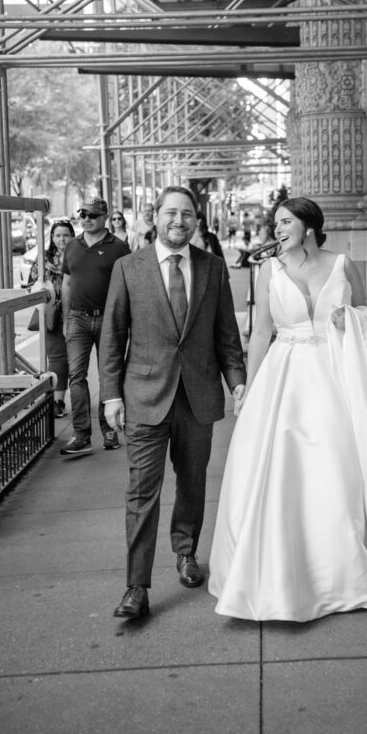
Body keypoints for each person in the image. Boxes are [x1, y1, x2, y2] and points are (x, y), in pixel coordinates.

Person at [208, 197, 367, 622]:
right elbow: (261, 332)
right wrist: (246, 388)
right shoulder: (268, 269)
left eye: (286, 221)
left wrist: (352, 321)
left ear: (309, 225)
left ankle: (341, 573)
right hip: (284, 379)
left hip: (336, 377)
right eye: (276, 222)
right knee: (283, 471)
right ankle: (280, 573)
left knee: (338, 469)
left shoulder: (343, 264)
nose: (278, 228)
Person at [99, 186, 247, 620]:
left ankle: (186, 552)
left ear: (196, 221)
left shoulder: (214, 268)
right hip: (144, 396)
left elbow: (226, 336)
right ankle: (136, 587)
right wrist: (110, 395)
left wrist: (237, 383)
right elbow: (112, 337)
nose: (178, 221)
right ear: (155, 216)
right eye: (170, 213)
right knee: (142, 492)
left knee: (193, 483)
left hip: (198, 395)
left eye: (187, 214)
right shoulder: (129, 267)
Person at [59, 197, 130, 458]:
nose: (86, 219)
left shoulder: (119, 248)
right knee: (76, 376)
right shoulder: (72, 246)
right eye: (82, 214)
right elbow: (66, 284)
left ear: (104, 217)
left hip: (108, 319)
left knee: (108, 374)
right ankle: (81, 434)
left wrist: (124, 320)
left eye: (91, 215)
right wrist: (67, 319)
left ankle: (109, 430)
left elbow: (127, 286)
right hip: (77, 318)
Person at [28, 219, 75, 418]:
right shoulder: (42, 259)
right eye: (58, 235)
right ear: (52, 237)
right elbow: (31, 285)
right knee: (57, 359)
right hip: (52, 315)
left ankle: (82, 400)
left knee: (77, 360)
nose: (62, 239)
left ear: (72, 236)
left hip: (78, 313)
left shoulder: (79, 255)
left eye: (66, 234)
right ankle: (57, 401)